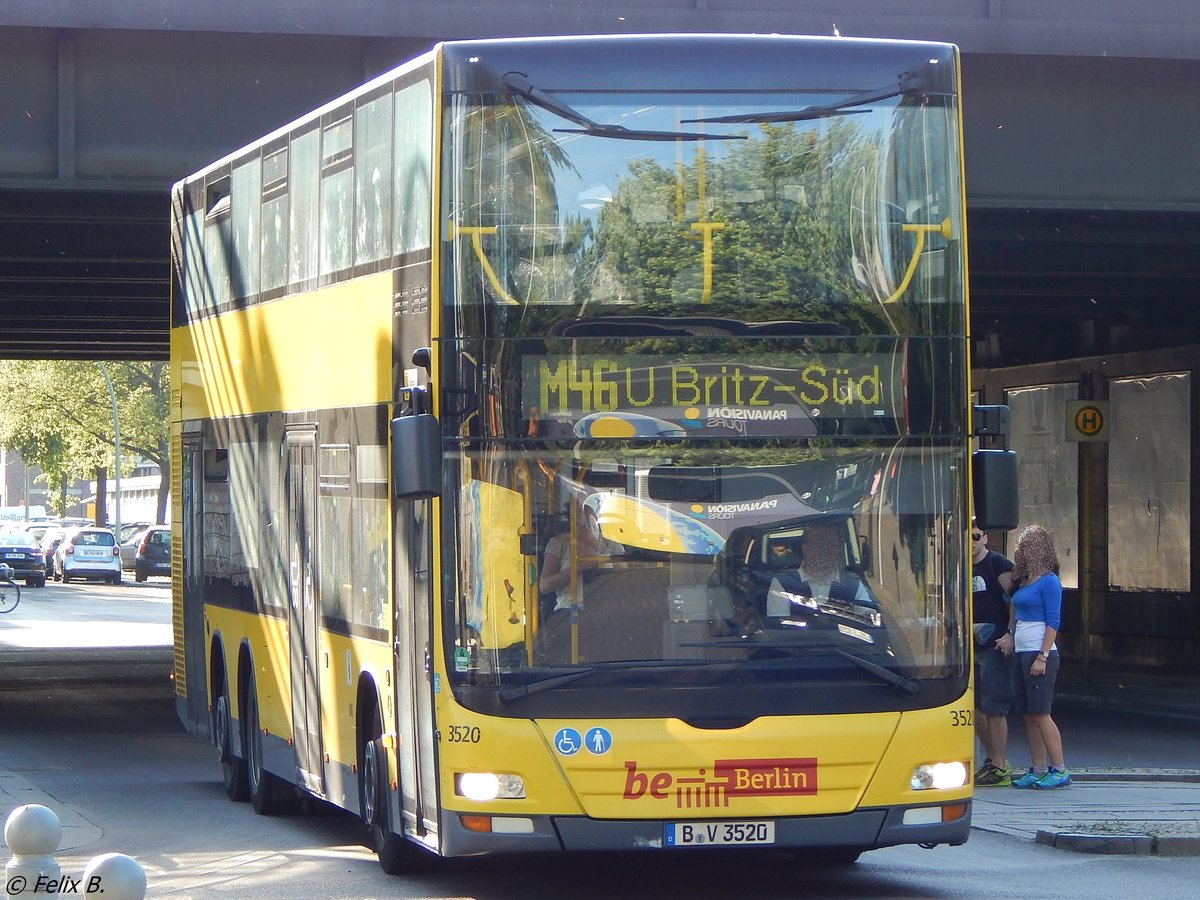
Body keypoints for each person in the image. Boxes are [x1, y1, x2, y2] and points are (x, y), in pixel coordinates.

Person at [996, 524, 1071, 789]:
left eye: (1026, 546)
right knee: (1029, 714)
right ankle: (1038, 768)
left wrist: (1042, 656)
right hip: (1021, 650)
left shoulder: (1049, 581)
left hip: (1040, 653)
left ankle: (1059, 768)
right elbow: (1015, 614)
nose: (1021, 550)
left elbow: (1053, 622)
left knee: (1041, 713)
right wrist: (1009, 635)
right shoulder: (1024, 580)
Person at [535, 499, 623, 663]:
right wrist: (578, 568)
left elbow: (626, 579)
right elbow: (544, 585)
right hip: (569, 612)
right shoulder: (559, 543)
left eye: (588, 510)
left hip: (608, 612)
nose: (584, 515)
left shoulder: (612, 544)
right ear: (571, 515)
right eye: (579, 510)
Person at [970, 527, 1015, 787]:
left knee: (994, 707)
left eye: (976, 536)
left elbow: (1015, 600)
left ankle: (1000, 766)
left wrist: (1010, 633)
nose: (971, 542)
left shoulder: (996, 562)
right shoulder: (958, 566)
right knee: (975, 708)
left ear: (985, 538)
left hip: (995, 644)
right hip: (970, 646)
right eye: (966, 536)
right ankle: (992, 759)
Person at [765, 523, 871, 617]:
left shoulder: (854, 585)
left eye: (830, 545)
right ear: (805, 548)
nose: (824, 550)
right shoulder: (782, 584)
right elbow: (780, 628)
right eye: (819, 544)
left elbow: (869, 620)